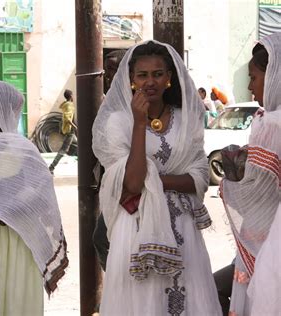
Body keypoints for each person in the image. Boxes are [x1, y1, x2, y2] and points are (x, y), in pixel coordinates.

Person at [92, 40, 222, 315]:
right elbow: (131, 184)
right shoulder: (119, 122)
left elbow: (198, 178)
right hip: (137, 231)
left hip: (183, 231)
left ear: (169, 79)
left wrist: (155, 181)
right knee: (144, 302)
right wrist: (140, 123)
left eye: (157, 74)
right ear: (131, 80)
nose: (150, 81)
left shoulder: (185, 119)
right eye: (142, 75)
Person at [0, 81, 68, 315]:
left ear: (2, 109)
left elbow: (41, 198)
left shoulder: (25, 151)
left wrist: (8, 210)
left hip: (19, 239)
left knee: (16, 296)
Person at [220, 32, 281, 316]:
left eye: (253, 77)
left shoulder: (271, 124)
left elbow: (256, 192)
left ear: (274, 78)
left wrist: (229, 183)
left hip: (269, 244)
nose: (249, 86)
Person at [93, 49, 126, 272]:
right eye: (108, 69)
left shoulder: (133, 105)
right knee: (103, 239)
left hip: (129, 185)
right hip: (114, 182)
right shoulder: (111, 103)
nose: (108, 75)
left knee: (104, 238)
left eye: (114, 69)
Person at [48, 89, 77, 174]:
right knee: (63, 150)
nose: (74, 97)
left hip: (70, 130)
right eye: (73, 95)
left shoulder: (67, 104)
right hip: (70, 131)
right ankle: (51, 167)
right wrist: (76, 127)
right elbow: (68, 118)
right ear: (71, 96)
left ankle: (82, 162)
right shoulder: (69, 105)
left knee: (79, 145)